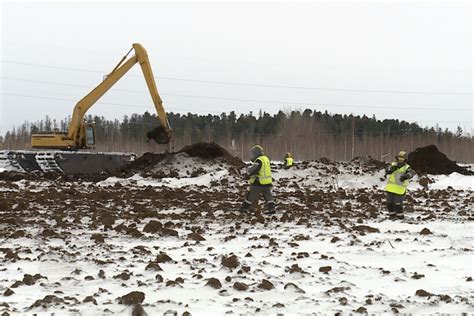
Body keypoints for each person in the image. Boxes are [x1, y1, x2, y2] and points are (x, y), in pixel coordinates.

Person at [239, 145, 275, 215]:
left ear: (256, 153)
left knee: (251, 195)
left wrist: (248, 175)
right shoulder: (265, 158)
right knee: (268, 195)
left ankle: (244, 208)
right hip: (267, 182)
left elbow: (254, 169)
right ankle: (272, 208)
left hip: (259, 182)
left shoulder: (259, 160)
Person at [385, 150, 416, 219]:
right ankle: (392, 216)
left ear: (405, 159)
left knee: (397, 204)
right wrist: (391, 169)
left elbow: (412, 172)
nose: (400, 160)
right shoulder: (393, 164)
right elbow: (387, 169)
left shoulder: (407, 167)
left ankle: (400, 217)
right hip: (390, 188)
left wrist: (406, 176)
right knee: (389, 203)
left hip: (400, 189)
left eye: (402, 158)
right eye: (399, 158)